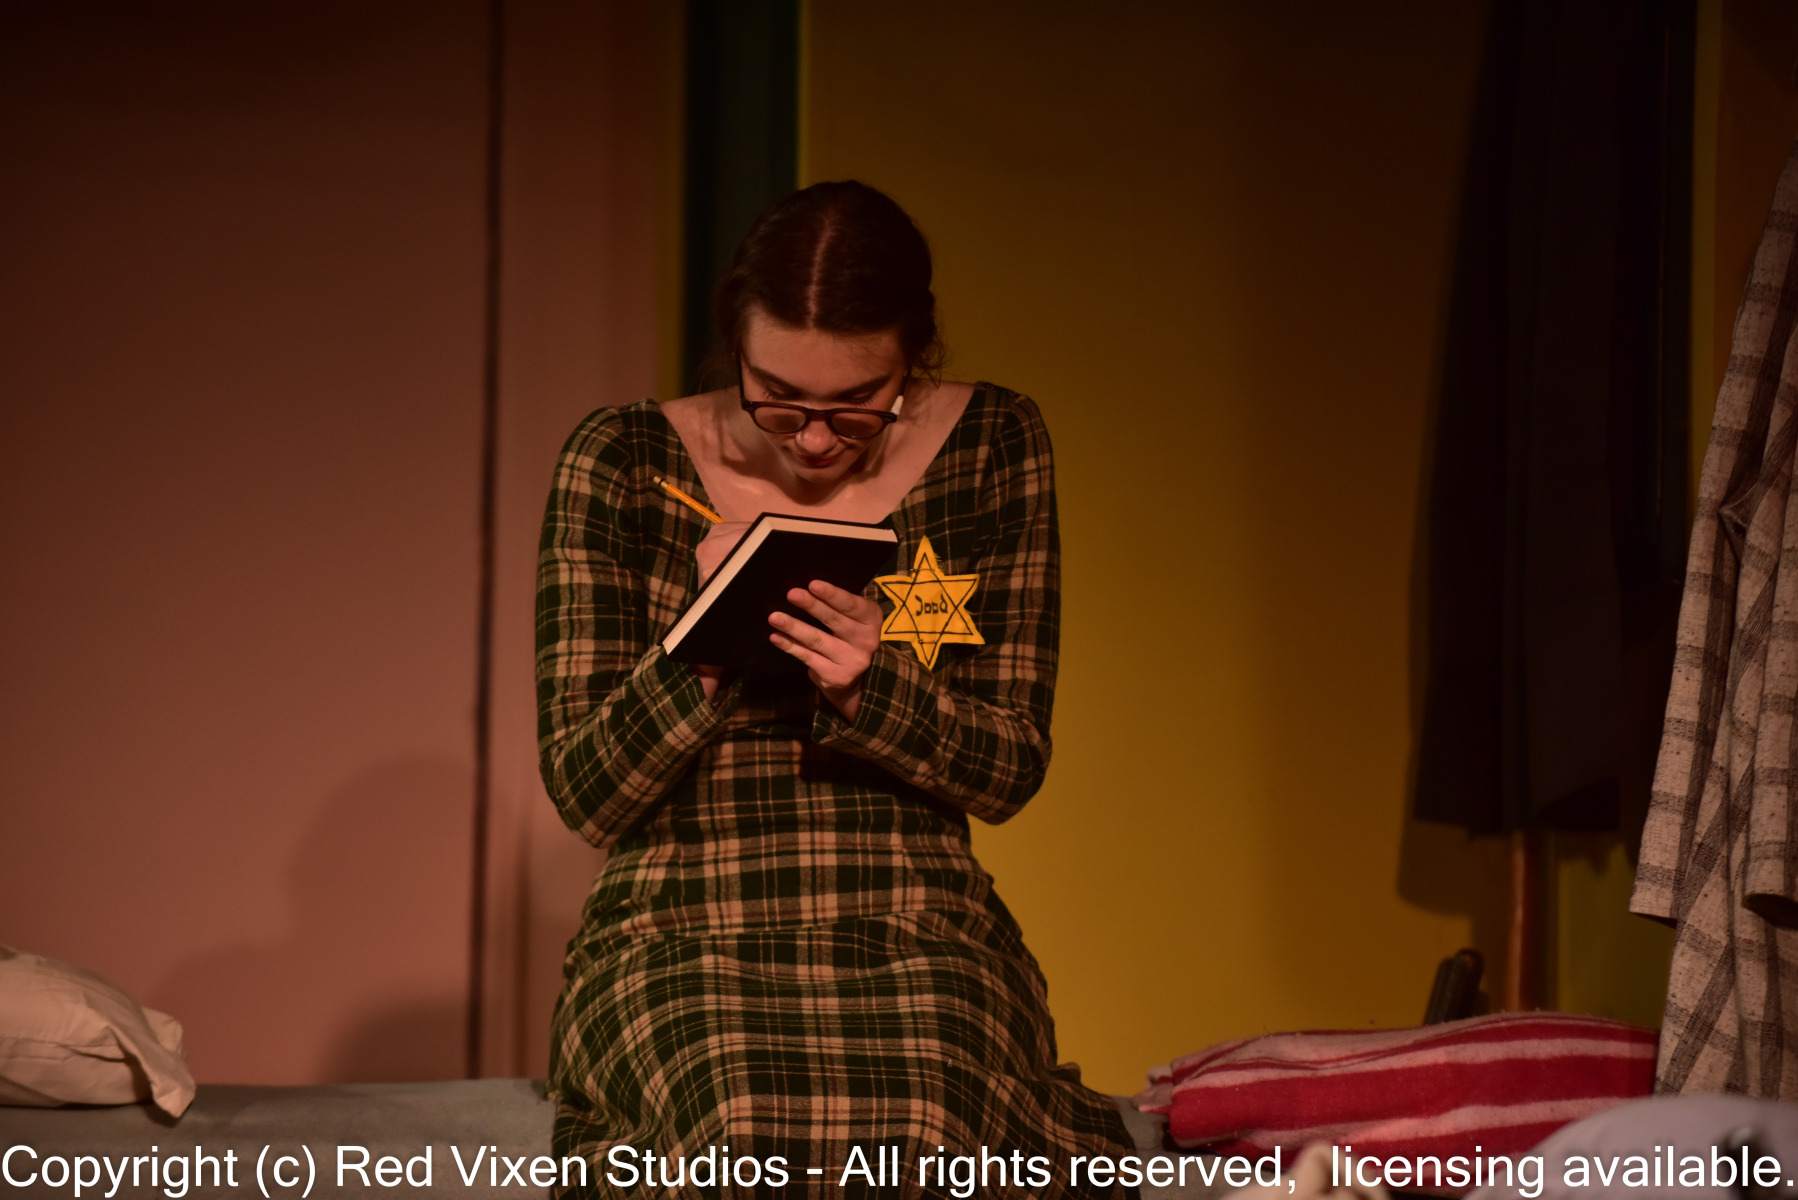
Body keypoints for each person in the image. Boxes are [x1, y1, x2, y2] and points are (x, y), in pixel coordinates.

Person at [535, 181, 1132, 1197]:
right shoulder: (623, 461)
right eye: (778, 396)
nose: (814, 438)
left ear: (912, 357)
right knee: (732, 1118)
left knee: (930, 1115)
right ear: (734, 345)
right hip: (684, 924)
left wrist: (873, 683)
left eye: (858, 402)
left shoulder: (992, 444)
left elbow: (1009, 768)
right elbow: (586, 792)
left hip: (913, 920)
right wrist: (708, 641)